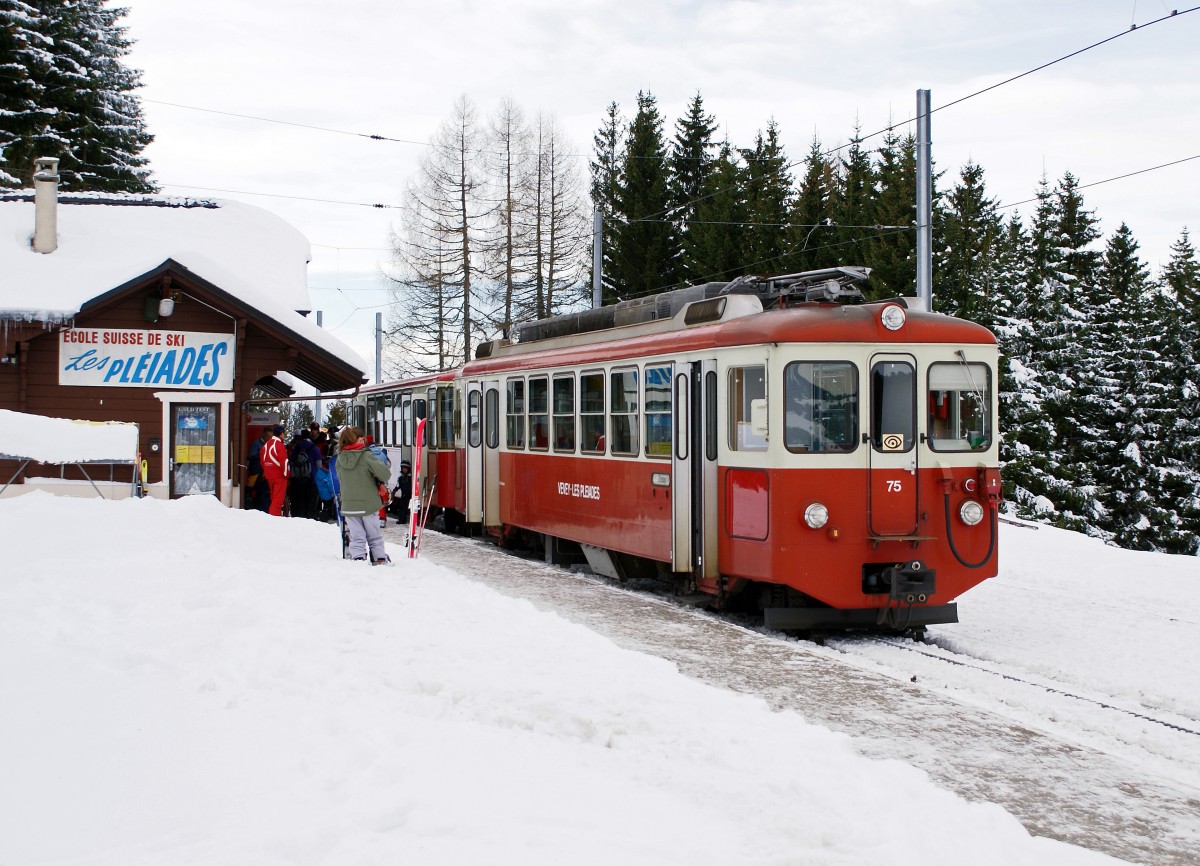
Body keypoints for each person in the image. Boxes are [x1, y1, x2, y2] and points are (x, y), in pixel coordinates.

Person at [333, 427, 392, 564]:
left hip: (349, 505)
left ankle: (358, 559)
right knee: (374, 536)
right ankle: (379, 558)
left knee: (356, 536)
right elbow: (385, 474)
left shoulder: (339, 459)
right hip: (368, 504)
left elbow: (340, 478)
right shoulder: (366, 455)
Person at [288, 429, 321, 519]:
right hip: (312, 478)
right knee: (310, 501)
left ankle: (297, 516)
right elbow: (319, 464)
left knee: (298, 500)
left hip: (297, 479)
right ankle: (310, 517)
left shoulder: (297, 447)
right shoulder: (314, 448)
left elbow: (291, 462)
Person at [261, 425, 289, 516]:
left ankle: (273, 518)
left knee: (274, 498)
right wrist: (286, 475)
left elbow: (262, 460)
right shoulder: (279, 445)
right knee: (277, 501)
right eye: (284, 434)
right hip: (279, 476)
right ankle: (274, 520)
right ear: (281, 434)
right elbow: (284, 462)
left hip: (269, 476)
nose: (284, 436)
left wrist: (266, 472)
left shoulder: (266, 445)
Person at [245, 427, 271, 511]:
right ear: (263, 435)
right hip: (256, 471)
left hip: (265, 473)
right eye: (268, 437)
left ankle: (262, 510)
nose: (269, 439)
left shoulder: (270, 445)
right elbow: (251, 457)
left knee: (262, 492)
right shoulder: (256, 444)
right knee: (251, 489)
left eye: (271, 437)